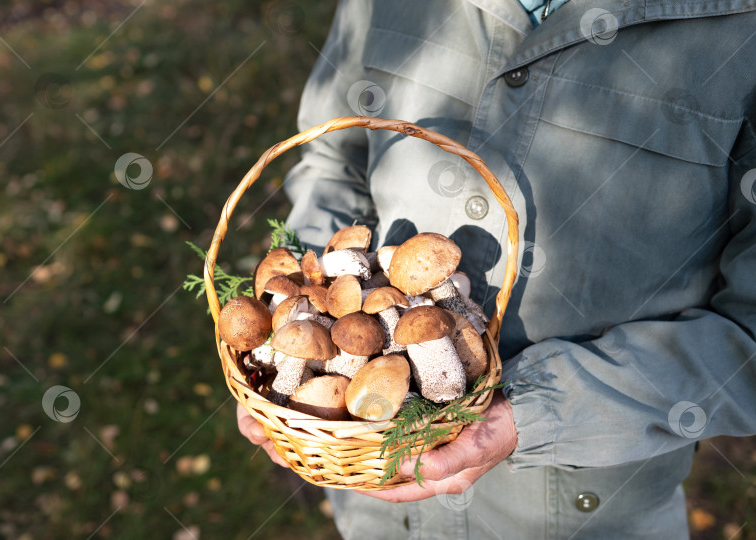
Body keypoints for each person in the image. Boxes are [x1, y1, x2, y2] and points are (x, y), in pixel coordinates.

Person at [238, 0, 756, 537]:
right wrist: (289, 332)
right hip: (374, 503)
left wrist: (535, 412)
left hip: (584, 511)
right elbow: (331, 159)